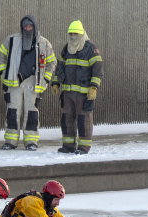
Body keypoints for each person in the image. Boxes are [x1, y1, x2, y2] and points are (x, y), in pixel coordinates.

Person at [0, 15, 56, 151]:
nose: (27, 29)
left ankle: (31, 142)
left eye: (30, 26)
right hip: (14, 81)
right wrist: (3, 73)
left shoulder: (44, 43)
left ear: (34, 27)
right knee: (12, 111)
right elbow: (1, 57)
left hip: (33, 82)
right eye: (25, 26)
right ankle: (10, 141)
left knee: (32, 113)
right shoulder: (12, 40)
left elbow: (52, 63)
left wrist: (45, 80)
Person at [51, 20, 103, 155]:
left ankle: (84, 147)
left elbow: (97, 69)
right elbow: (60, 68)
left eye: (76, 33)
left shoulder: (90, 48)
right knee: (66, 119)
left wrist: (94, 87)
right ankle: (68, 146)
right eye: (71, 33)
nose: (73, 36)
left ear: (82, 34)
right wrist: (56, 82)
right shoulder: (66, 48)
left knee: (83, 120)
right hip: (68, 93)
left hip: (84, 94)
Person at [1, 180, 88, 217]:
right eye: (56, 200)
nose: (58, 204)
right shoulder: (31, 202)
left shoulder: (48, 207)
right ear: (49, 197)